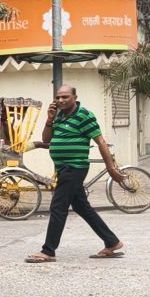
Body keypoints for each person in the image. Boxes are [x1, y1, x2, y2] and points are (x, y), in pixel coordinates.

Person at [25, 85, 126, 263]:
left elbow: (101, 141)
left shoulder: (84, 115)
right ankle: (112, 242)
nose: (61, 100)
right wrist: (49, 119)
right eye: (58, 97)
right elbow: (47, 139)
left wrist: (111, 168)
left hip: (74, 167)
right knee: (81, 207)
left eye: (65, 97)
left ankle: (48, 251)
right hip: (63, 168)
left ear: (75, 98)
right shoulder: (59, 115)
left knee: (58, 207)